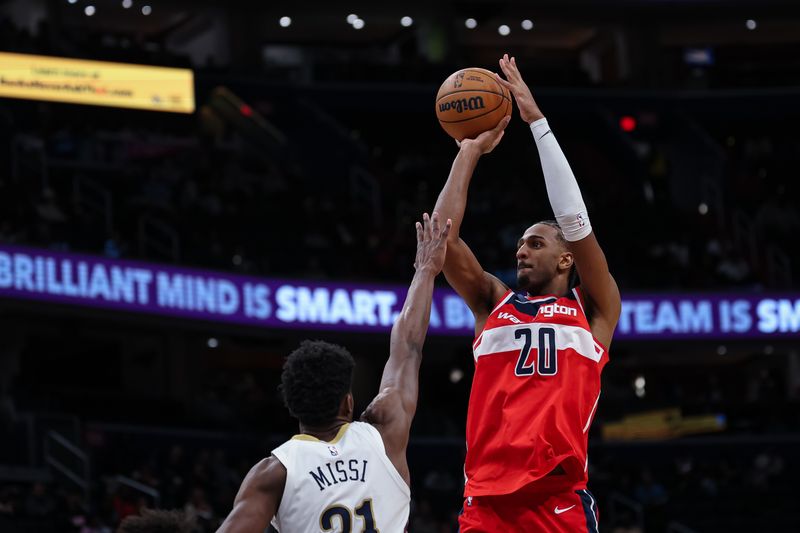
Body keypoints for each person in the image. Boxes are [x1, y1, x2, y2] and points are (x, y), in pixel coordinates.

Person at [432, 54, 621, 532]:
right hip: (485, 501)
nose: (521, 251)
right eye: (519, 243)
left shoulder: (594, 310)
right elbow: (443, 239)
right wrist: (469, 150)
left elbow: (577, 225)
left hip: (556, 499)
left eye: (535, 243)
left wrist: (536, 122)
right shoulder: (493, 302)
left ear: (565, 260)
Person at [217, 213, 452, 533]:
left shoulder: (273, 473)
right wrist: (425, 271)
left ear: (292, 406)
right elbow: (408, 347)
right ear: (348, 402)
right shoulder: (385, 431)